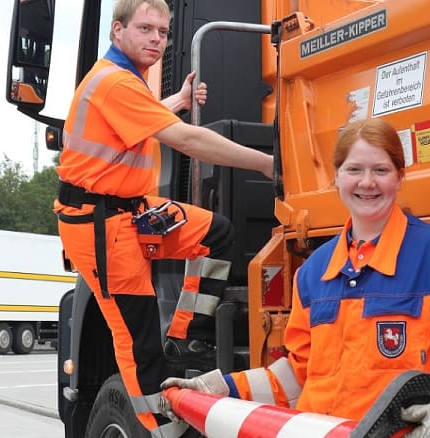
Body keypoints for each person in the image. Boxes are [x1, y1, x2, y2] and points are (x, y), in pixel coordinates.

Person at [159, 118, 430, 438]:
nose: (367, 183)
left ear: (400, 177)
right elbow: (299, 375)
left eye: (381, 170)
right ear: (336, 178)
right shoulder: (314, 273)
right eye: (354, 170)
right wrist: (219, 389)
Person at [53, 0, 273, 436]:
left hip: (131, 211)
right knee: (138, 344)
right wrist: (266, 163)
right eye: (146, 29)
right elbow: (189, 140)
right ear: (118, 32)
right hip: (101, 226)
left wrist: (178, 99)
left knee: (217, 234)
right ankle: (160, 427)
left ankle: (185, 341)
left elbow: (140, 123)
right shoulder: (115, 83)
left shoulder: (123, 81)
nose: (157, 39)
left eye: (164, 32)